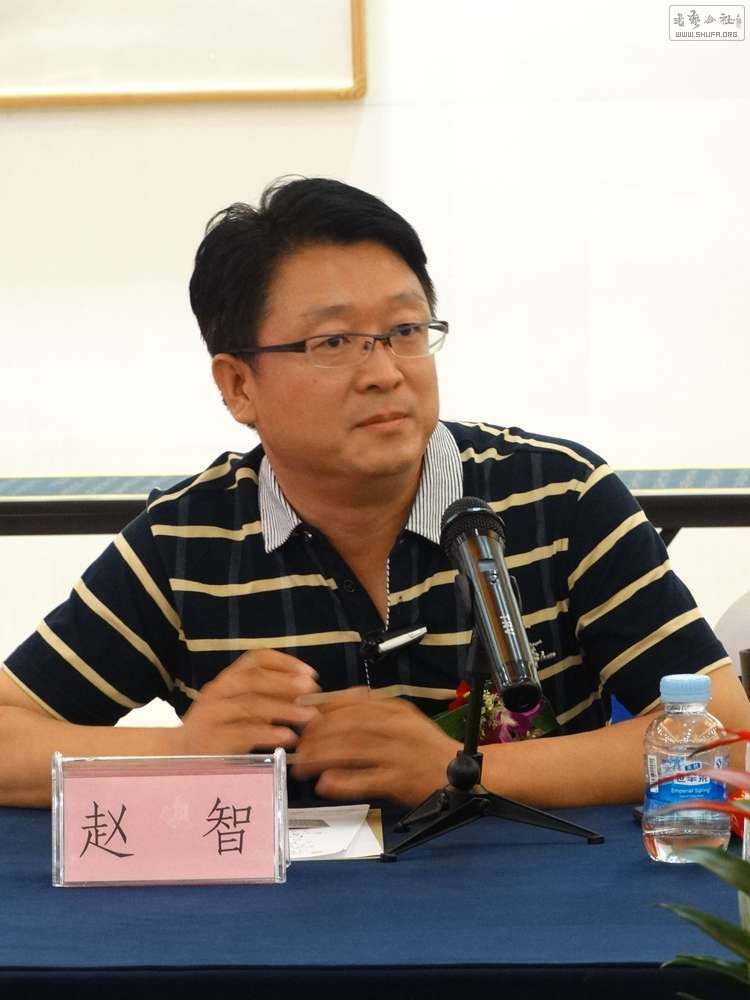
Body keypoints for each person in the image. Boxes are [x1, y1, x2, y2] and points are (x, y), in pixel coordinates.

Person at [1, 177, 748, 810]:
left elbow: (723, 733)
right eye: (333, 343)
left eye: (405, 331)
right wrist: (186, 750)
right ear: (238, 385)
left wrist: (459, 772)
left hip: (529, 908)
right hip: (277, 923)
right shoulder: (184, 544)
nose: (386, 372)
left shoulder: (558, 498)